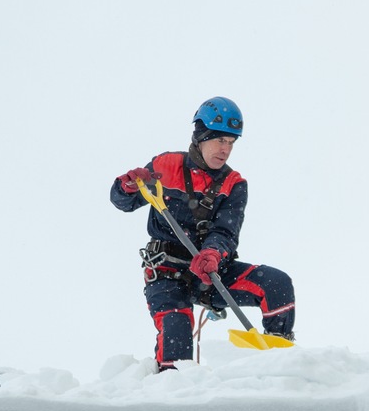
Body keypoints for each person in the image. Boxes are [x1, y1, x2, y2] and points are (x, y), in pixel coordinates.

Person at [111, 97, 295, 371]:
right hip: (166, 272)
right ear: (201, 136)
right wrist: (126, 187)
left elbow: (226, 231)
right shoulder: (166, 166)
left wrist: (213, 254)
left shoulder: (234, 184)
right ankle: (169, 388)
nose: (226, 150)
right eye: (220, 140)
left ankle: (281, 365)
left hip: (211, 271)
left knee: (277, 284)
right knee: (176, 333)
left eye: (232, 143)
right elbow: (124, 202)